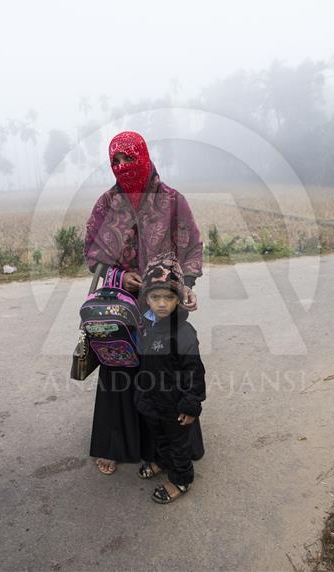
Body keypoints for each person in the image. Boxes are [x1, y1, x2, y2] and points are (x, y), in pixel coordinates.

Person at [84, 130, 204, 476]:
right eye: (115, 161)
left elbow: (192, 246)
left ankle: (166, 449)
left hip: (161, 304)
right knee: (118, 371)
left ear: (144, 156)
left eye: (128, 158)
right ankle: (114, 445)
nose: (122, 167)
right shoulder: (108, 204)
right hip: (120, 306)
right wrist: (121, 277)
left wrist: (187, 284)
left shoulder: (171, 200)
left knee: (163, 374)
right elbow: (92, 252)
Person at [133, 254, 206, 504]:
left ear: (179, 299)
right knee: (160, 438)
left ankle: (181, 479)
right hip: (152, 400)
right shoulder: (149, 325)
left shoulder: (184, 334)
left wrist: (191, 404)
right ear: (147, 298)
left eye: (169, 297)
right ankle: (163, 463)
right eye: (155, 297)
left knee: (178, 443)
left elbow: (195, 373)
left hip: (174, 405)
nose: (162, 304)